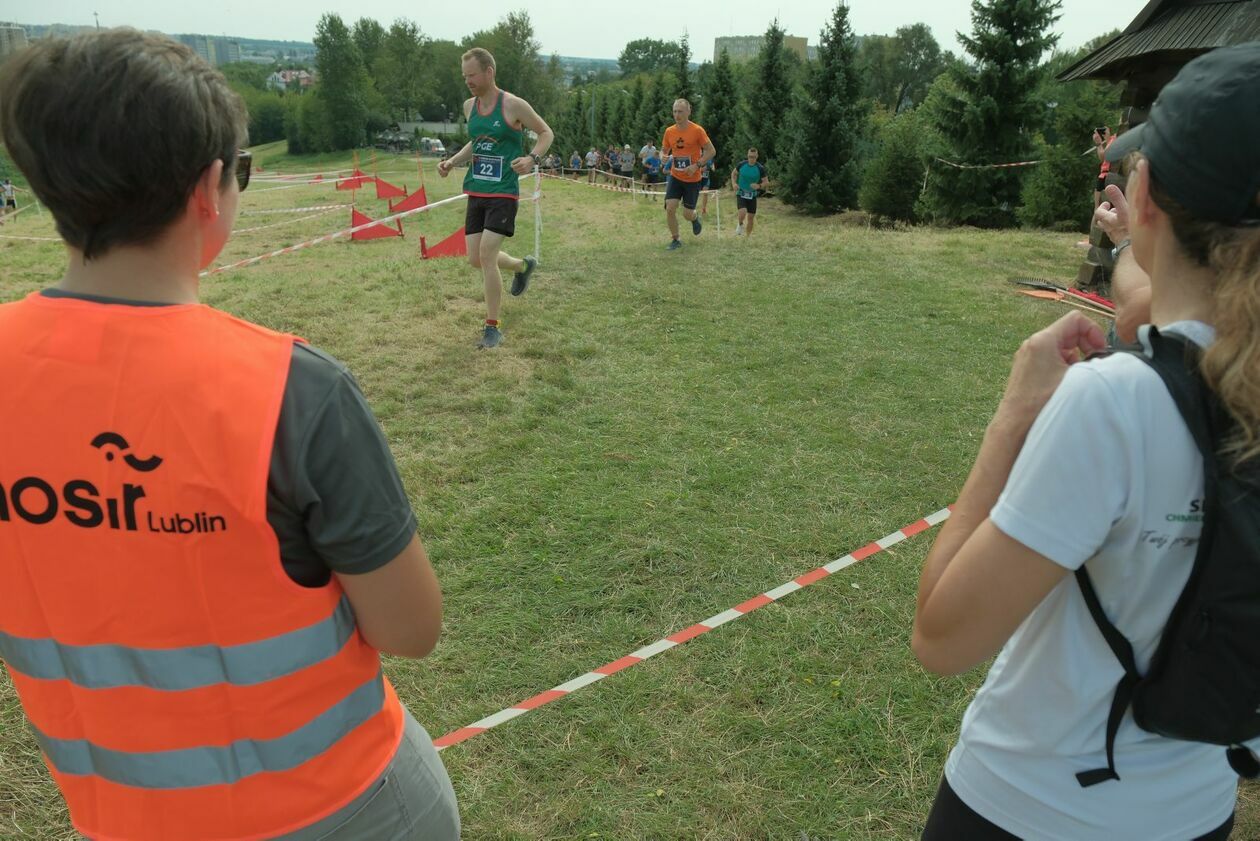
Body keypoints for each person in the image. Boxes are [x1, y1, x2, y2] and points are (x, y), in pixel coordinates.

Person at [0, 29, 460, 841]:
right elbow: (410, 627)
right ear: (209, 188)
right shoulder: (294, 390)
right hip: (343, 808)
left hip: (125, 819)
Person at [913, 42, 1260, 841]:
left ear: (1146, 196)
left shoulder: (1114, 406)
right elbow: (1160, 313)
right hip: (1198, 811)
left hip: (1032, 806)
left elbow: (941, 635)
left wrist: (1014, 412)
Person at [438, 47, 552, 349]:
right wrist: (453, 161)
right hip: (476, 189)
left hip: (503, 191)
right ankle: (521, 266)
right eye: (465, 76)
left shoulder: (513, 105)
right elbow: (476, 143)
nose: (468, 81)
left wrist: (531, 159)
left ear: (489, 72)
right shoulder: (468, 107)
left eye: (472, 75)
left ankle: (492, 326)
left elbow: (545, 133)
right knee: (475, 259)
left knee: (487, 254)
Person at [660, 98, 716, 251]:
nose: (677, 115)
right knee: (670, 208)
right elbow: (663, 150)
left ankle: (695, 218)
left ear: (689, 111)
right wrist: (662, 156)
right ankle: (676, 239)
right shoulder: (669, 131)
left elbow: (711, 151)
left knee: (687, 213)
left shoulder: (697, 130)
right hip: (675, 176)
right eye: (675, 111)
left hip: (693, 178)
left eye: (680, 111)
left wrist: (696, 165)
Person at [731, 148, 768, 237]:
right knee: (742, 212)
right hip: (741, 193)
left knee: (751, 218)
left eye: (754, 157)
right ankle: (740, 224)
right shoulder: (742, 164)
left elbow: (766, 182)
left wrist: (758, 186)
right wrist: (734, 183)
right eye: (750, 157)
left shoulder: (760, 168)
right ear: (747, 156)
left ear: (757, 157)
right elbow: (734, 174)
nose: (751, 159)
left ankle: (747, 237)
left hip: (752, 195)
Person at [1093, 125, 1116, 208]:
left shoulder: (1114, 138)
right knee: (1097, 189)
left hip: (1107, 173)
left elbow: (1103, 156)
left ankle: (1096, 208)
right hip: (1107, 171)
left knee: (1098, 190)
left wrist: (1098, 143)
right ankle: (1096, 207)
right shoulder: (1110, 141)